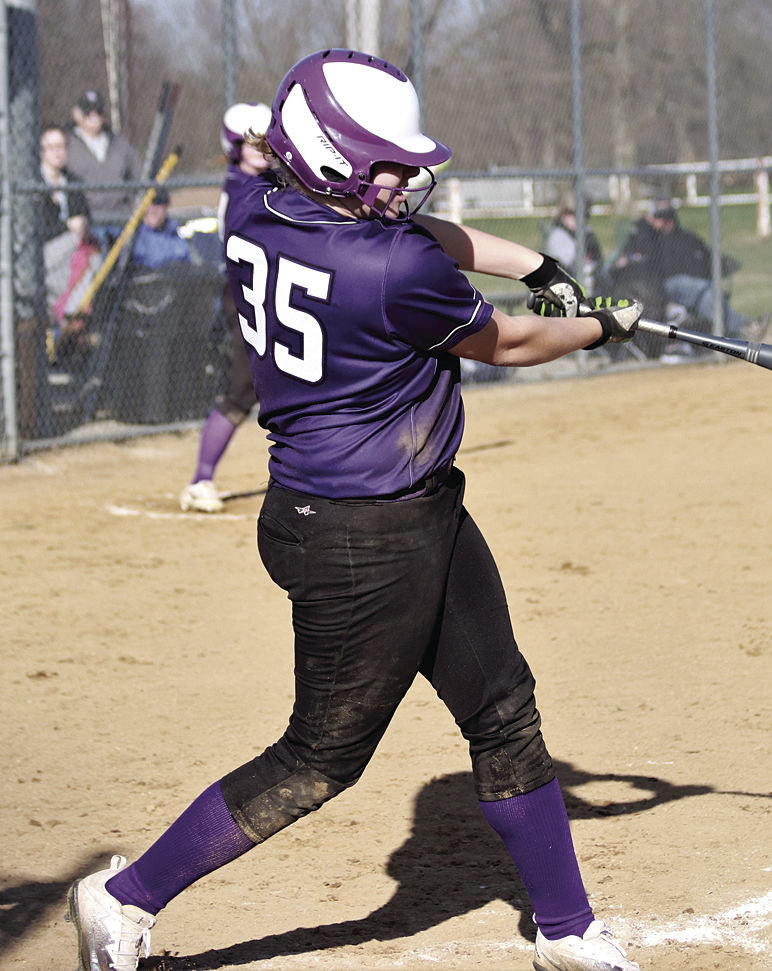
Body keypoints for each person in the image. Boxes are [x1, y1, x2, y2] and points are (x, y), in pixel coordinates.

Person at [67, 48, 643, 971]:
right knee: (316, 759)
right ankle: (122, 897)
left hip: (407, 511)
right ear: (327, 158)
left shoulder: (256, 208)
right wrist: (601, 320)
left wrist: (540, 261)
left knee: (503, 709)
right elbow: (517, 339)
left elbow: (428, 237)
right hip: (354, 539)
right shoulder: (386, 269)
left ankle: (566, 930)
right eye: (382, 161)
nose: (405, 177)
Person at [179, 101, 273, 514]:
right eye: (249, 143)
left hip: (275, 296)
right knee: (241, 390)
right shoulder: (240, 187)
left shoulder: (270, 181)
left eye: (265, 143)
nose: (259, 150)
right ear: (233, 146)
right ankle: (201, 480)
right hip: (246, 300)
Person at [611, 202, 769, 344]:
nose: (659, 223)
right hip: (661, 289)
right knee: (702, 290)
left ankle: (738, 335)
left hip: (695, 287)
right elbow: (625, 262)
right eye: (656, 219)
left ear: (671, 219)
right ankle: (743, 326)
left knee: (707, 294)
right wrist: (647, 223)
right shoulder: (650, 239)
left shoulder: (686, 238)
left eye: (662, 218)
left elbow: (707, 258)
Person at [39, 123, 101, 348]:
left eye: (62, 146)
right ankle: (69, 315)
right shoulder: (36, 184)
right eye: (52, 147)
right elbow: (37, 228)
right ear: (42, 151)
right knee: (78, 244)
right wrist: (68, 226)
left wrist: (82, 224)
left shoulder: (72, 182)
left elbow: (85, 216)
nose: (57, 152)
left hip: (73, 254)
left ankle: (75, 317)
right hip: (46, 254)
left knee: (94, 251)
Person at [64, 89, 143, 246]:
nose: (93, 117)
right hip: (88, 224)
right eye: (88, 112)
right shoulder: (66, 144)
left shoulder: (120, 144)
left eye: (98, 112)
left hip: (121, 220)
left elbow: (139, 176)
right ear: (76, 114)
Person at [544, 198, 608, 296]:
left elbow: (598, 259)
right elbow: (570, 267)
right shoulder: (558, 236)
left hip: (593, 284)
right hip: (568, 287)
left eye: (584, 215)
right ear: (563, 215)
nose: (580, 219)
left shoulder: (587, 233)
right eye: (574, 214)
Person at [130, 189, 191, 269]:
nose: (152, 209)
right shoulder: (130, 237)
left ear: (166, 207)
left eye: (158, 202)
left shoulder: (176, 236)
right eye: (146, 203)